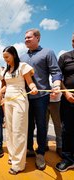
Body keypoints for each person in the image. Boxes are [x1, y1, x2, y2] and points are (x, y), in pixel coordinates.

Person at [20, 29, 62, 170]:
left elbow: (56, 72)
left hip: (41, 97)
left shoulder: (48, 53)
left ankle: (40, 153)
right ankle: (30, 149)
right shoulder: (21, 58)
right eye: (25, 38)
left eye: (29, 37)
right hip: (25, 97)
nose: (26, 40)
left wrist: (56, 85)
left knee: (41, 125)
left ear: (37, 38)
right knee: (28, 125)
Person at [0, 46, 38, 175]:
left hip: (20, 100)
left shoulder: (23, 66)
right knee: (9, 129)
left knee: (18, 130)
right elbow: (8, 86)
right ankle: (13, 155)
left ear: (13, 55)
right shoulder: (6, 70)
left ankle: (18, 164)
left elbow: (29, 82)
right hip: (8, 100)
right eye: (4, 58)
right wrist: (0, 91)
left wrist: (34, 88)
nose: (5, 60)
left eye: (7, 57)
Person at [55, 33, 74, 172]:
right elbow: (58, 76)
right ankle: (68, 159)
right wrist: (65, 92)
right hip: (68, 99)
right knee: (67, 129)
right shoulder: (65, 57)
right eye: (73, 40)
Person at [46, 81, 62, 157]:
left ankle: (59, 146)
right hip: (43, 101)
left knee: (58, 124)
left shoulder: (58, 71)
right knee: (43, 124)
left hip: (56, 101)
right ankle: (44, 144)